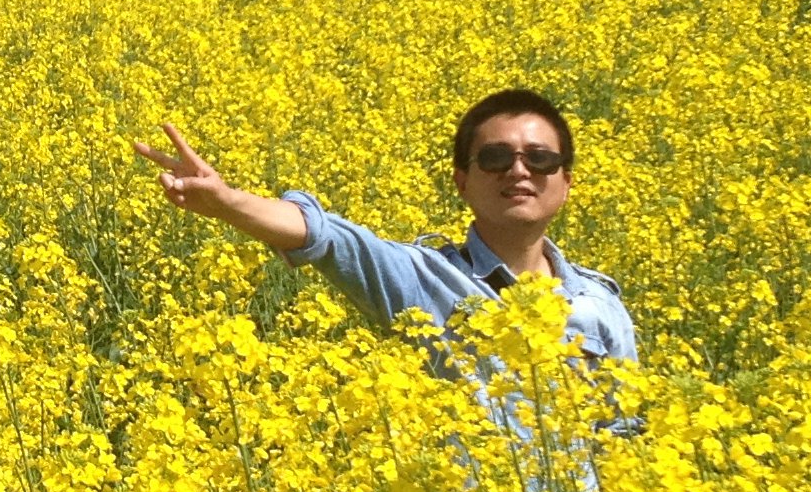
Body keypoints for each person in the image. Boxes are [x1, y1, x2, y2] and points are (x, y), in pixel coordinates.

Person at [133, 88, 635, 372]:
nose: (519, 171)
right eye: (496, 158)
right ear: (462, 180)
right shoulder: (427, 280)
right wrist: (229, 203)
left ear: (566, 181)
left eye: (540, 159)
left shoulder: (600, 305)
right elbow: (326, 237)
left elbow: (626, 438)